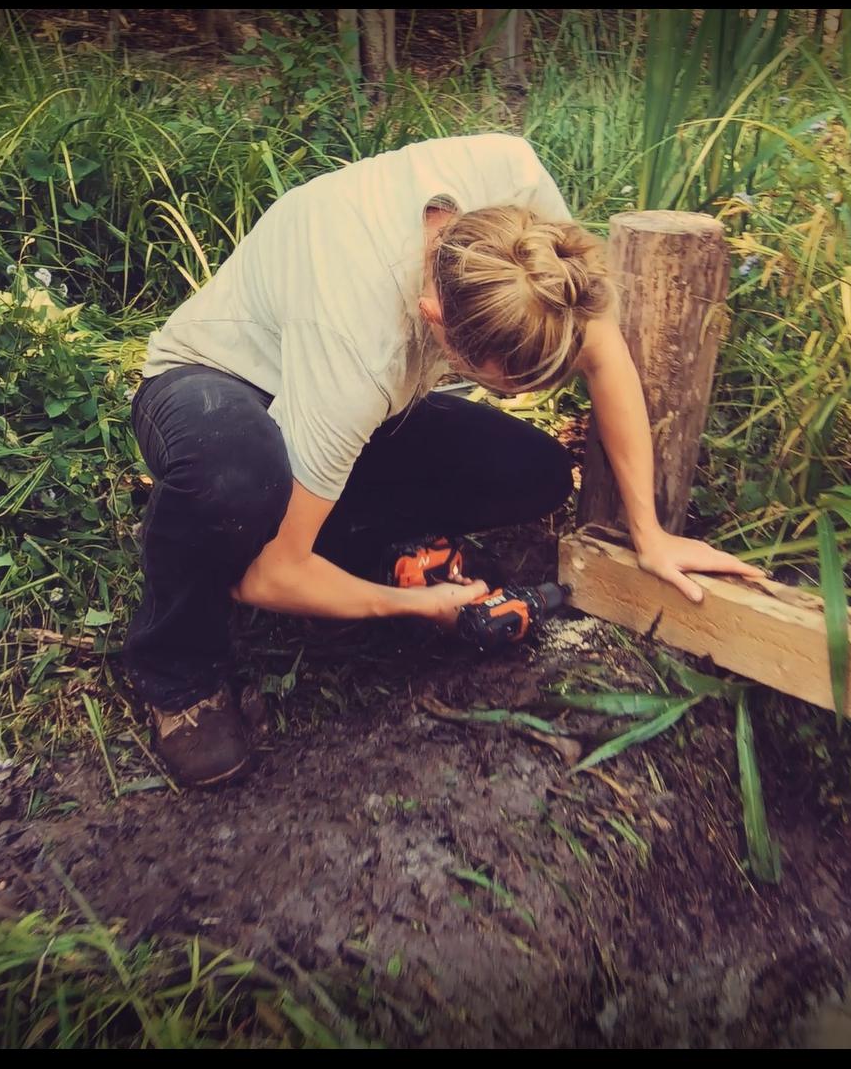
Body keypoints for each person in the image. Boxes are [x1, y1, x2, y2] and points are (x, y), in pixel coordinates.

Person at [127, 133, 762, 786]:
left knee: (532, 473)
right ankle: (177, 668)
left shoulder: (515, 183)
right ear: (435, 319)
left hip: (339, 406)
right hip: (214, 386)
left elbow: (600, 347)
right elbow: (263, 579)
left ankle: (325, 531)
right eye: (500, 385)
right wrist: (413, 607)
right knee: (234, 482)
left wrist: (650, 534)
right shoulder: (360, 353)